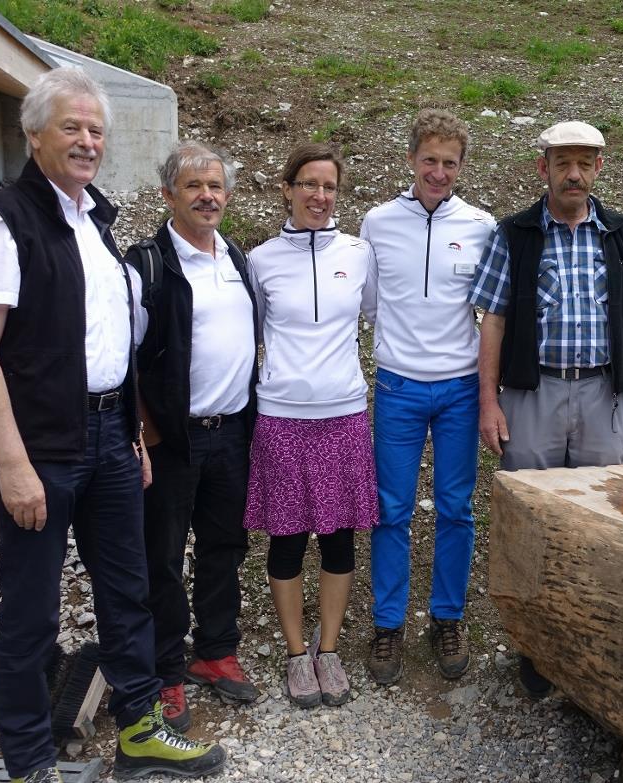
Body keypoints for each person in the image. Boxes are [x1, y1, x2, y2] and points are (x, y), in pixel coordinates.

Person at [0, 67, 225, 783]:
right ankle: (29, 762)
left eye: (96, 130)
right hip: (40, 447)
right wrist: (11, 465)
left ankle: (140, 730)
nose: (86, 140)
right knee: (32, 610)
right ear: (33, 133)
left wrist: (131, 433)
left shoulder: (95, 224)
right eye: (70, 126)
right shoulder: (0, 219)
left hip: (108, 439)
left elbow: (110, 342)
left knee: (126, 590)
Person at [467, 120, 623, 696]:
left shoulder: (622, 234)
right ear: (543, 168)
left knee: (602, 518)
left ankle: (594, 645)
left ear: (599, 167)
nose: (573, 174)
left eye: (584, 163)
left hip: (605, 392)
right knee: (531, 520)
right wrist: (489, 403)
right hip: (532, 395)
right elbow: (494, 319)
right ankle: (534, 647)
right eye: (562, 163)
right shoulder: (517, 233)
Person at [125, 141, 260, 732]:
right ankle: (166, 671)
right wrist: (144, 431)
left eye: (216, 187)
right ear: (167, 196)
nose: (207, 196)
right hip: (171, 440)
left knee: (224, 547)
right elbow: (121, 355)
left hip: (233, 431)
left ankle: (215, 651)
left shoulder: (237, 256)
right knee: (162, 555)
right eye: (193, 187)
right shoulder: (147, 264)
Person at [359, 109, 495, 684]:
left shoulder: (482, 225)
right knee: (390, 509)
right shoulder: (377, 223)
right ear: (411, 159)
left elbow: (491, 310)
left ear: (461, 166)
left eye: (450, 163)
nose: (439, 172)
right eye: (430, 160)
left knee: (456, 509)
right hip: (397, 386)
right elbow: (367, 304)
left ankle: (447, 617)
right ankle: (388, 624)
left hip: (461, 388)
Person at [243, 142, 377, 709]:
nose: (319, 196)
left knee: (340, 539)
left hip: (344, 413)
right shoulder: (261, 259)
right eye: (309, 185)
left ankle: (330, 650)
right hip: (282, 417)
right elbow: (247, 330)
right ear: (288, 188)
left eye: (329, 187)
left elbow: (374, 315)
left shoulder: (359, 253)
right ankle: (297, 656)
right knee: (287, 540)